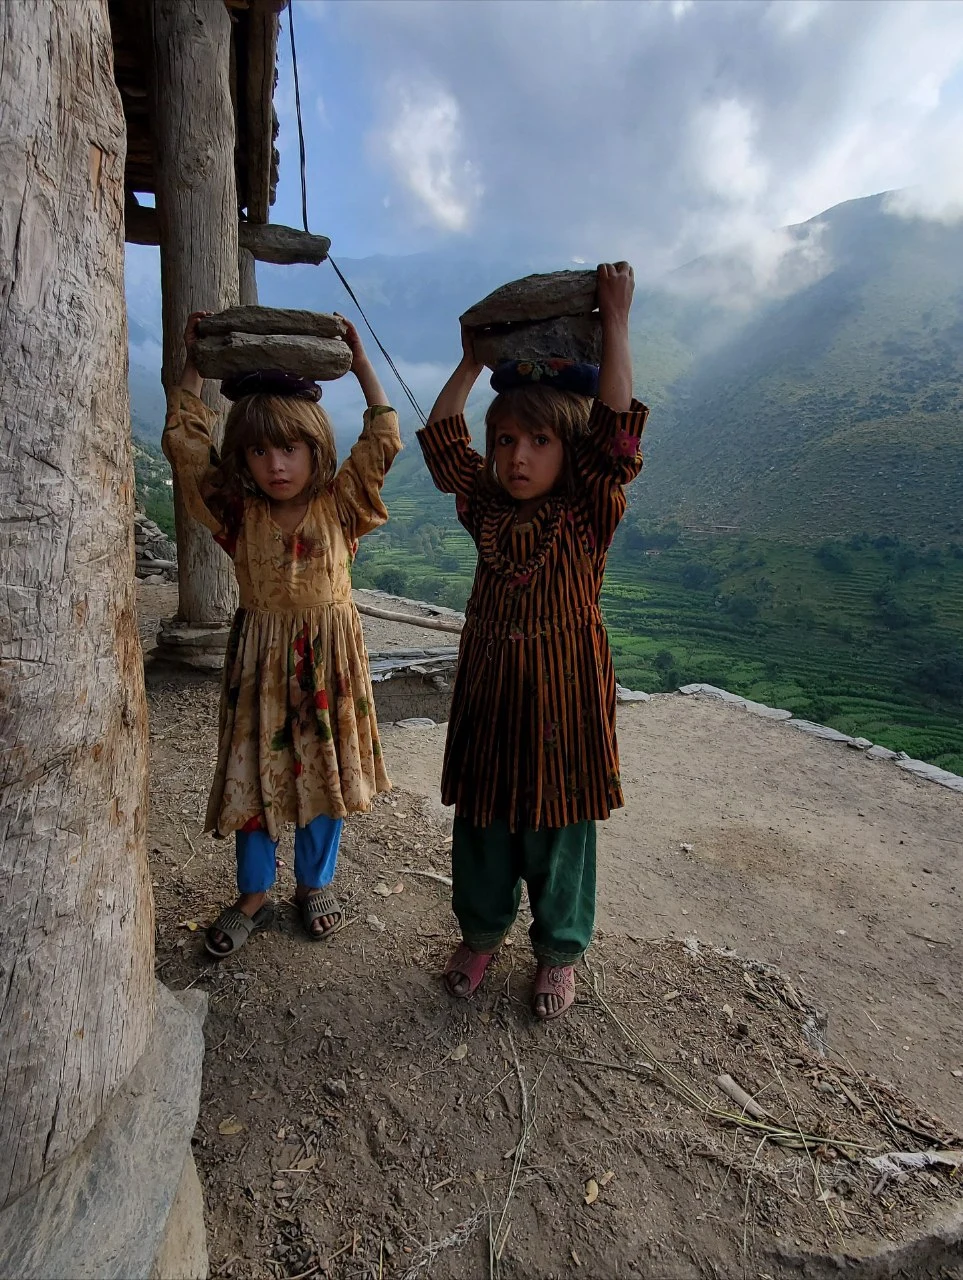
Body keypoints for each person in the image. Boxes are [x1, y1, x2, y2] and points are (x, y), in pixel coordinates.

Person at [416, 262, 647, 1020]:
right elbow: (446, 441)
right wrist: (470, 362)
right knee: (482, 820)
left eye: (539, 441)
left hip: (564, 695)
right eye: (507, 439)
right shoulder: (484, 504)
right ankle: (480, 934)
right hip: (490, 693)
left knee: (558, 828)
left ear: (567, 449)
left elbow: (615, 437)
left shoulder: (587, 511)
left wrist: (614, 318)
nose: (517, 456)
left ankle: (557, 954)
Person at [162, 312, 401, 958]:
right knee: (256, 777)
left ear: (314, 447)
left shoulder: (341, 504)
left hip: (329, 665)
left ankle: (314, 883)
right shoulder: (237, 514)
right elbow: (186, 444)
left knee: (321, 774)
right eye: (259, 451)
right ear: (241, 456)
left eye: (289, 448)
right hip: (262, 666)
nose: (275, 464)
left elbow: (381, 436)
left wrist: (358, 356)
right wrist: (192, 360)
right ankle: (253, 891)